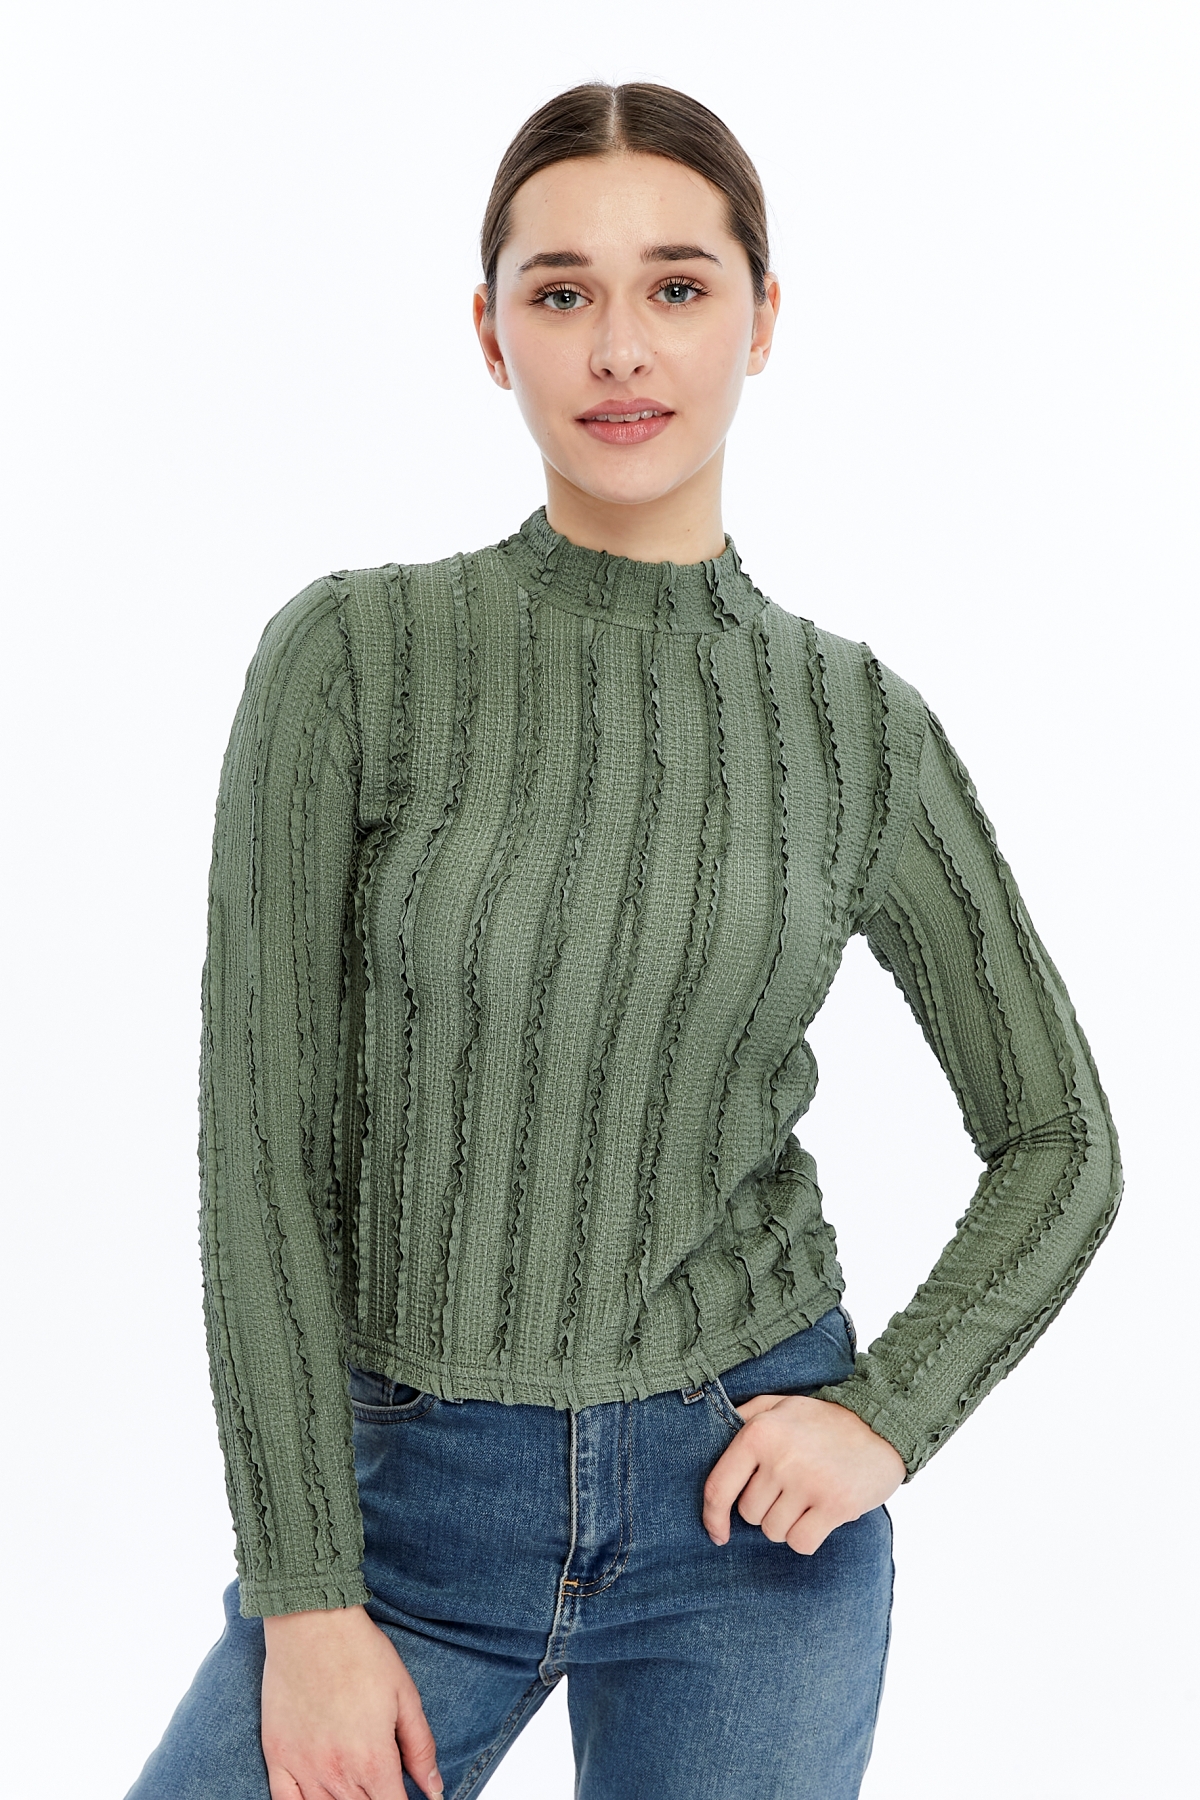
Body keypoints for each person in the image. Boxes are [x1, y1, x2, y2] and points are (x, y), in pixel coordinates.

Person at [124, 80, 1122, 1800]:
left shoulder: (855, 728)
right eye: (561, 291)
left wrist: (886, 1415)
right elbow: (261, 1157)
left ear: (762, 318)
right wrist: (305, 1598)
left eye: (676, 285)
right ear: (491, 333)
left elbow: (1060, 1139)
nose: (619, 348)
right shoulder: (354, 658)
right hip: (406, 1515)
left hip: (744, 1523)